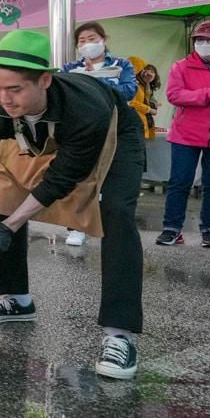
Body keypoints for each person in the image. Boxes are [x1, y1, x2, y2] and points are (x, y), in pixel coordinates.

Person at [0, 30, 145, 380]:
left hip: (114, 135)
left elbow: (60, 180)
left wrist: (9, 227)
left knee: (116, 212)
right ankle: (16, 299)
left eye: (15, 90)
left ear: (45, 80)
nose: (4, 99)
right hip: (40, 136)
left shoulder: (84, 107)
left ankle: (118, 334)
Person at [156, 21, 210, 249]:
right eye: (200, 40)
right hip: (185, 135)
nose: (205, 44)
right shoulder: (181, 66)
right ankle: (171, 228)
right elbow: (176, 95)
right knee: (179, 182)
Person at [59, 21, 137, 248]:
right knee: (81, 178)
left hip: (115, 129)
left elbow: (128, 91)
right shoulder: (70, 68)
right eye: (82, 41)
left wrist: (94, 81)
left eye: (92, 39)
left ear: (103, 39)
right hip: (82, 129)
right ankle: (76, 226)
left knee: (112, 180)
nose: (87, 44)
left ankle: (108, 226)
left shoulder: (122, 65)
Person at [128, 58, 161, 139]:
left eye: (152, 72)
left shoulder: (144, 88)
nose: (147, 73)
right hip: (136, 126)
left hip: (141, 126)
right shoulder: (135, 85)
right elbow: (132, 103)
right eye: (145, 70)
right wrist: (149, 109)